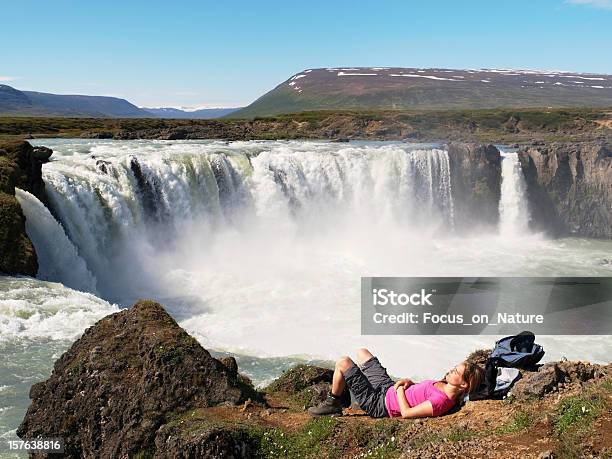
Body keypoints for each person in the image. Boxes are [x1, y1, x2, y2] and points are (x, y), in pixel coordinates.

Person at [308, 348, 483, 418]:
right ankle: (345, 392)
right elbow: (419, 393)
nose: (451, 370)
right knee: (362, 353)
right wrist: (408, 382)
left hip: (379, 403)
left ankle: (333, 403)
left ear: (464, 385)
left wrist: (399, 390)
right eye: (454, 367)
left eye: (456, 372)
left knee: (343, 362)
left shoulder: (441, 401)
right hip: (387, 388)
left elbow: (406, 413)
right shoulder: (443, 384)